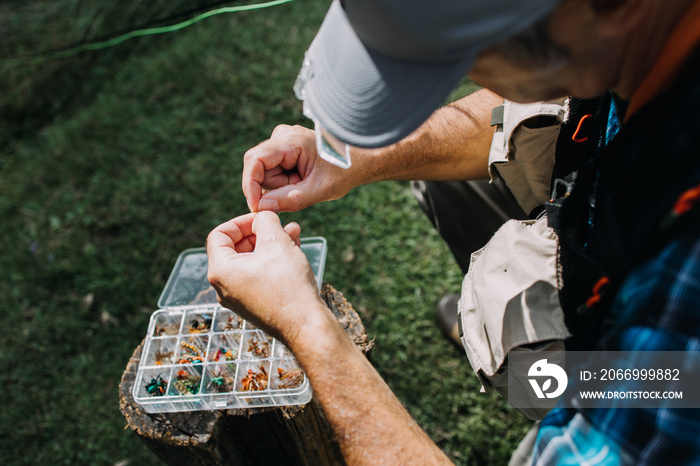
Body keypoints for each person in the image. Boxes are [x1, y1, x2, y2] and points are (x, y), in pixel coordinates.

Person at [207, 0, 700, 464]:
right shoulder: (633, 38)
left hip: (672, 381)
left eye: (466, 56)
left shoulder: (684, 285)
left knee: (544, 373)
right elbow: (553, 93)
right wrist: (349, 159)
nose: (463, 76)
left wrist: (304, 322)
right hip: (616, 239)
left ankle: (558, 391)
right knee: (461, 184)